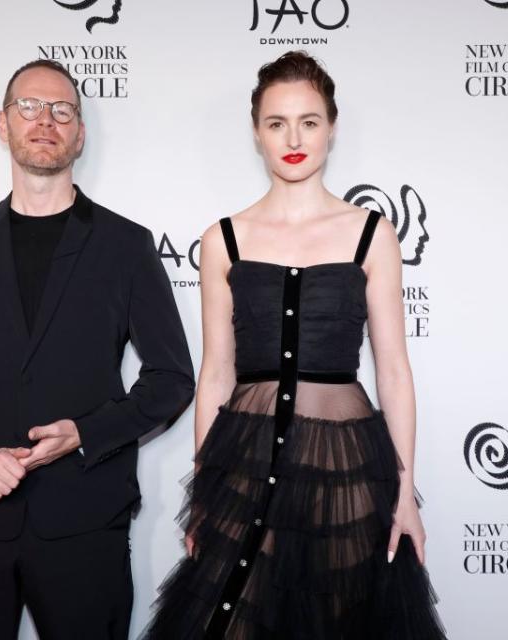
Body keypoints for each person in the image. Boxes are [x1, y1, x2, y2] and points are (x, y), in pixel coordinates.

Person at [142, 51, 448, 639]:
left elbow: (394, 372)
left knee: (339, 620)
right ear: (256, 133)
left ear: (331, 127)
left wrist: (406, 492)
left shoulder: (371, 233)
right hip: (244, 465)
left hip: (347, 468)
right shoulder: (222, 239)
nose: (293, 138)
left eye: (309, 121)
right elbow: (215, 375)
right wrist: (205, 488)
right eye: (277, 123)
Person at [0, 59, 194, 639]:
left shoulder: (127, 246)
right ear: (3, 125)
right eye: (29, 107)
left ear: (79, 134)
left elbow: (172, 378)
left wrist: (86, 433)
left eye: (62, 111)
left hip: (87, 518)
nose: (45, 121)